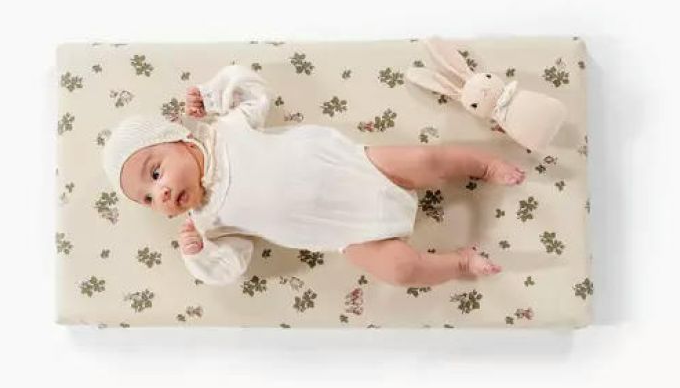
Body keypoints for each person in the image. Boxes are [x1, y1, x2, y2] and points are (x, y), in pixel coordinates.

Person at [102, 63, 526, 287]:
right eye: (148, 198)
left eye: (155, 172)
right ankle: (460, 263)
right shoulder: (208, 222)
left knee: (425, 161)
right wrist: (199, 254)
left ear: (179, 139)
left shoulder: (225, 129)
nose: (160, 193)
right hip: (347, 234)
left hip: (357, 166)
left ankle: (483, 165)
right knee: (400, 270)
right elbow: (231, 265)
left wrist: (212, 96)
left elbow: (254, 89)